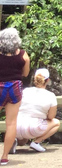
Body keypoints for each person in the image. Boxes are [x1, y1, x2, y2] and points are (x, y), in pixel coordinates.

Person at [0, 27, 30, 166]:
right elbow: (25, 74)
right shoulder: (23, 55)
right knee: (11, 123)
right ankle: (5, 157)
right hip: (14, 88)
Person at [14, 68, 59, 153]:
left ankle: (13, 140)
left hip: (16, 126)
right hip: (33, 128)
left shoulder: (25, 91)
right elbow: (51, 117)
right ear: (47, 80)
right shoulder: (50, 95)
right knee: (56, 123)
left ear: (34, 79)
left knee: (23, 140)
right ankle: (36, 142)